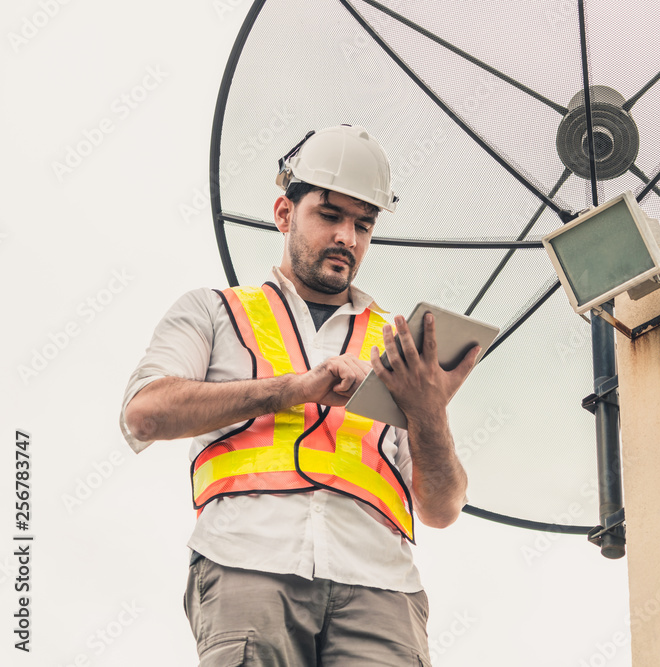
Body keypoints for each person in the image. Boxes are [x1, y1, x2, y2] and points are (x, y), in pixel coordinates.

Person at [119, 125, 478, 666]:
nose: (347, 238)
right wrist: (297, 388)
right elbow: (144, 414)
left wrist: (429, 413)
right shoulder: (213, 311)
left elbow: (443, 508)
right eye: (330, 215)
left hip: (380, 582)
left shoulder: (399, 348)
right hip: (247, 560)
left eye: (363, 223)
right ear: (285, 214)